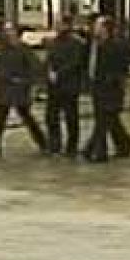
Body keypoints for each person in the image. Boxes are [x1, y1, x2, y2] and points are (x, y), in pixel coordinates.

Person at [0, 24, 48, 157]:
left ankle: (43, 143)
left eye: (10, 31)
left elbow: (35, 68)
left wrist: (28, 82)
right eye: (6, 31)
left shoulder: (24, 49)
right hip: (4, 87)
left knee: (26, 116)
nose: (8, 34)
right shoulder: (1, 49)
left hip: (19, 88)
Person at [83, 16, 130, 162]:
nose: (94, 28)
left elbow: (122, 67)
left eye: (98, 26)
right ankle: (124, 143)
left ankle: (96, 150)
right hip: (96, 87)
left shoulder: (117, 46)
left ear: (106, 28)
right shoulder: (92, 44)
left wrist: (112, 79)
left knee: (103, 120)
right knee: (110, 120)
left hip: (111, 89)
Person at [43, 15, 87, 158]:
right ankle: (54, 144)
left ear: (67, 25)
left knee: (71, 117)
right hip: (54, 86)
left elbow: (76, 63)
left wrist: (59, 73)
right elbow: (49, 59)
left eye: (59, 24)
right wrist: (48, 71)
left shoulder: (77, 43)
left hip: (69, 85)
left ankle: (71, 146)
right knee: (51, 116)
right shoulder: (53, 42)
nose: (57, 26)